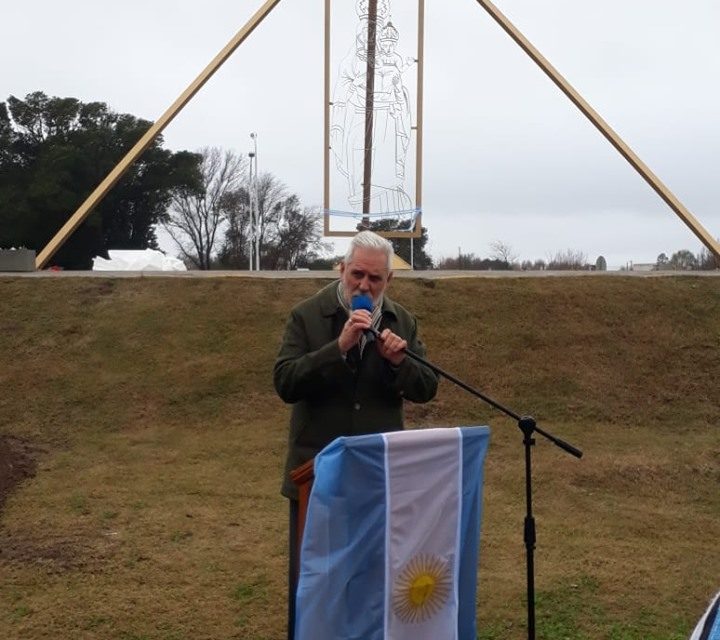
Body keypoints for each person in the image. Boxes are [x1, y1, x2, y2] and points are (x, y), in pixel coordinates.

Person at [273, 230, 439, 638]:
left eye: (375, 279)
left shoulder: (402, 321)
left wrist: (400, 363)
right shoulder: (307, 316)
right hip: (316, 477)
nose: (364, 285)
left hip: (377, 476)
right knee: (315, 585)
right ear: (342, 269)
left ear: (388, 281)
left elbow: (427, 387)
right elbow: (285, 382)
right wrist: (338, 348)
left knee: (371, 583)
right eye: (357, 275)